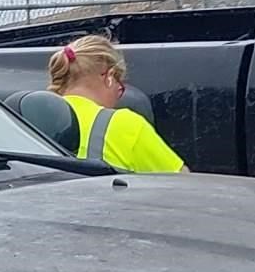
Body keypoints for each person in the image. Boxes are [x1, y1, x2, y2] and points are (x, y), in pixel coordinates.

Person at [46, 33, 185, 172]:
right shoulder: (126, 125)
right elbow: (181, 184)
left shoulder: (31, 122)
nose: (120, 91)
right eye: (120, 83)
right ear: (109, 77)